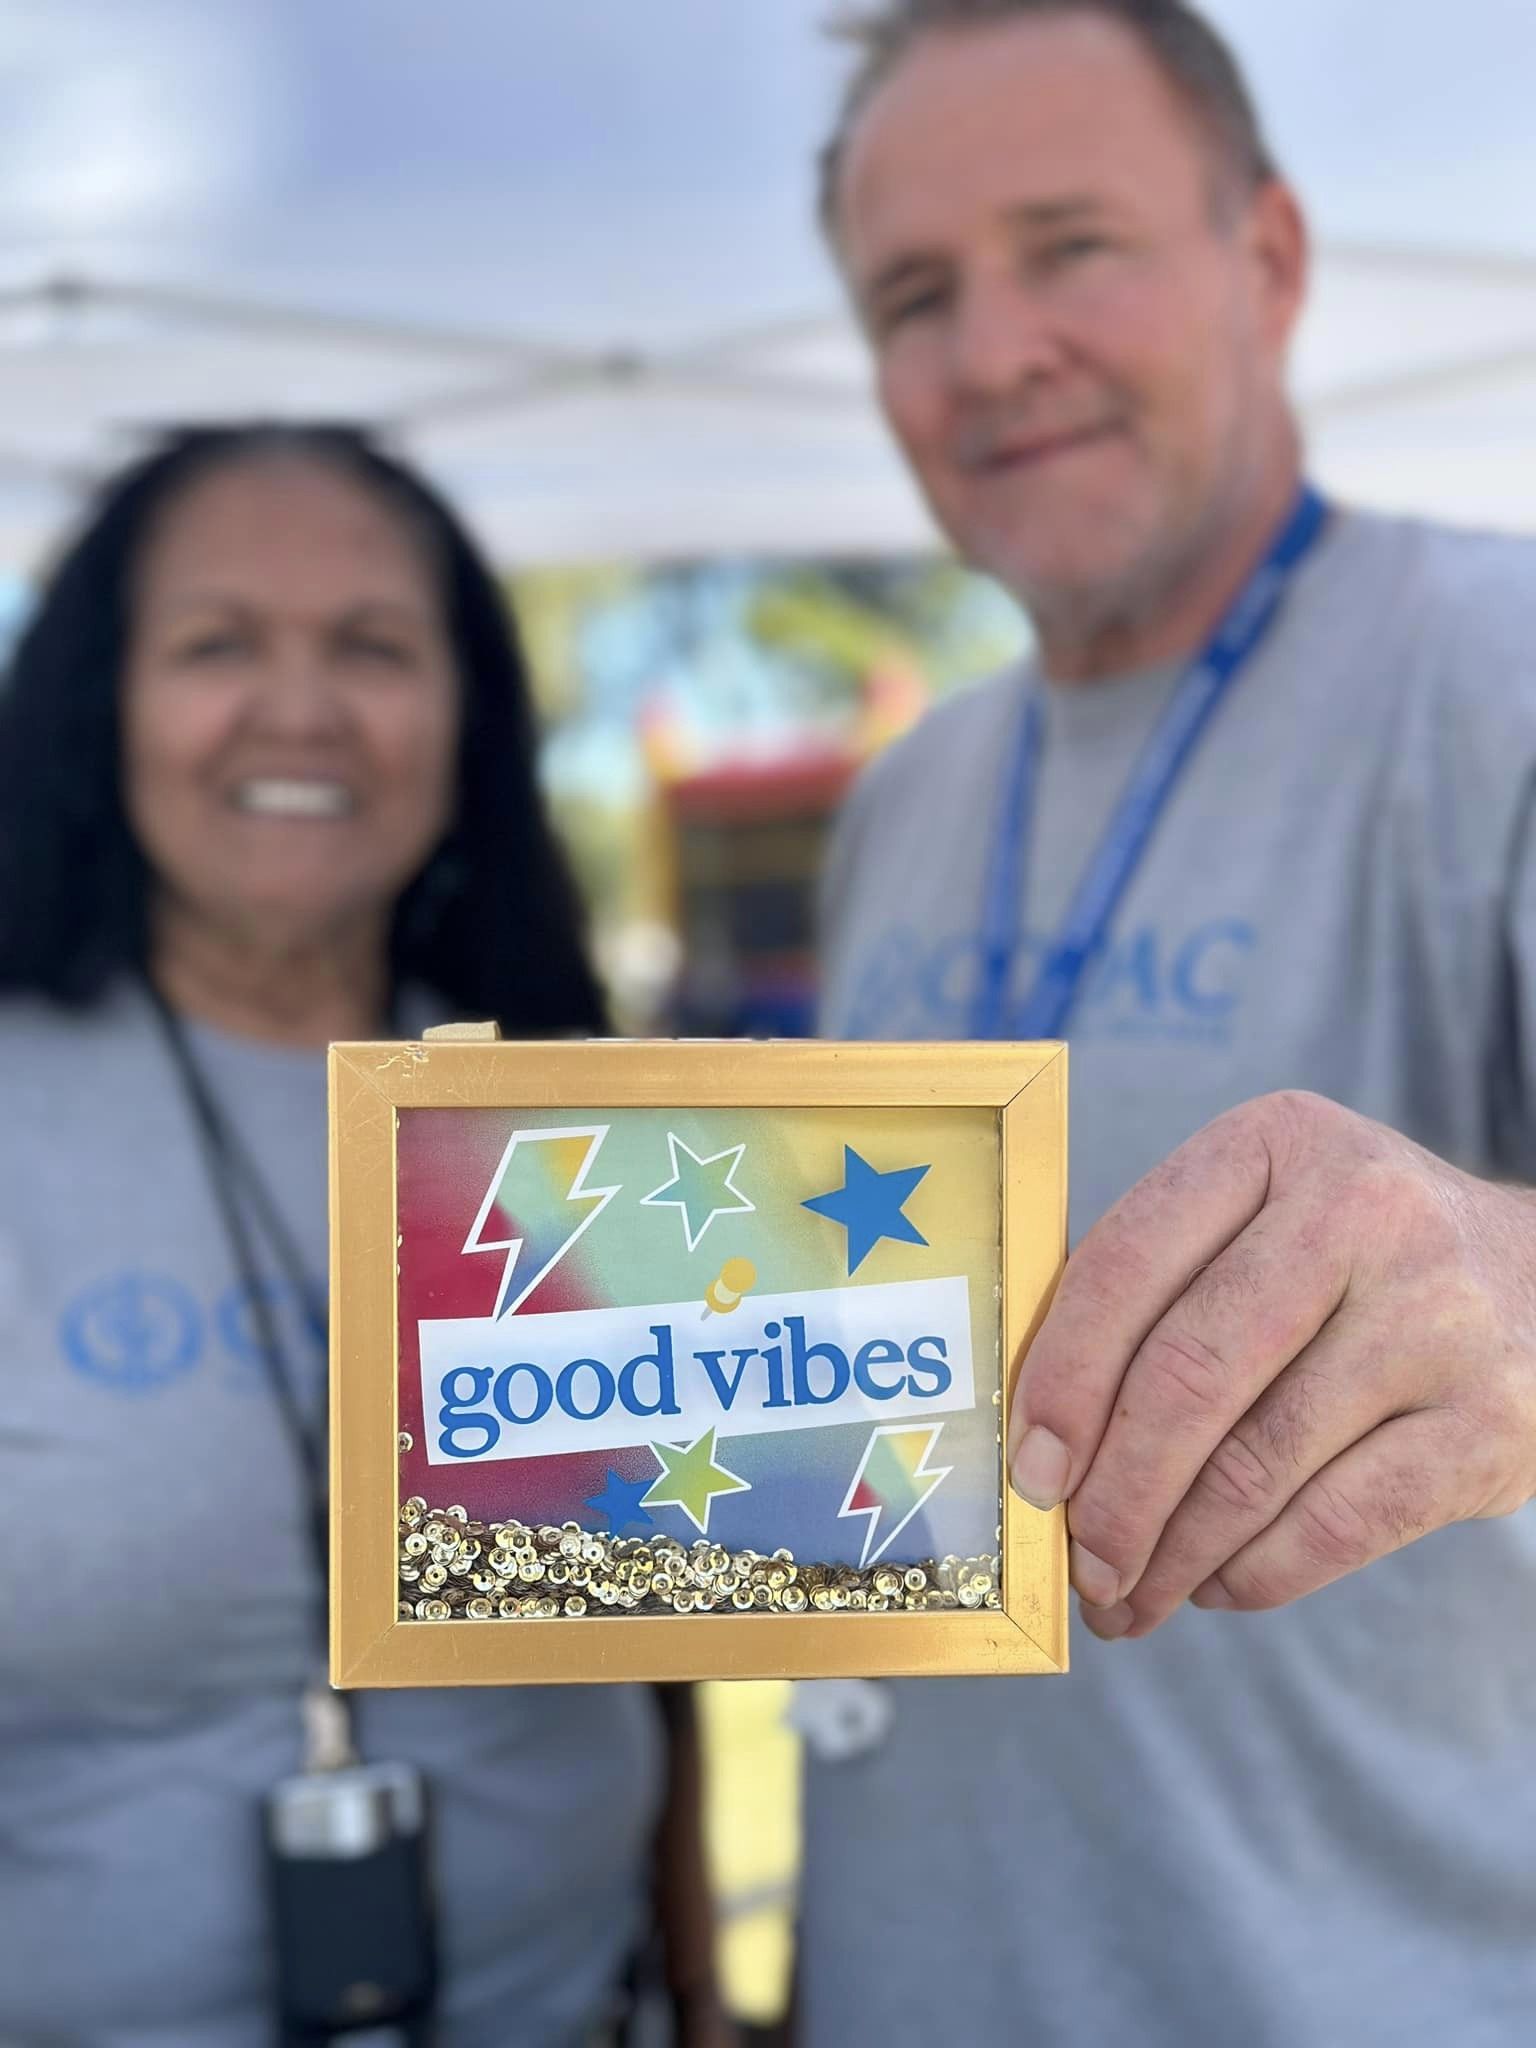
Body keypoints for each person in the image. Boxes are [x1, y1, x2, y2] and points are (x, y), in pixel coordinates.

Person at [804, 3, 1536, 2043]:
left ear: (1271, 260)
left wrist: (1513, 1282)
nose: (993, 350)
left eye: (1072, 244)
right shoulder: (906, 793)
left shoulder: (1497, 678)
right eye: (914, 294)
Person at [0, 425, 725, 2048]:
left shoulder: (593, 1125)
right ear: (96, 703)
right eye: (215, 644)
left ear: (465, 717)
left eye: (375, 648)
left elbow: (678, 1630)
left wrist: (704, 1994)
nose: (301, 708)